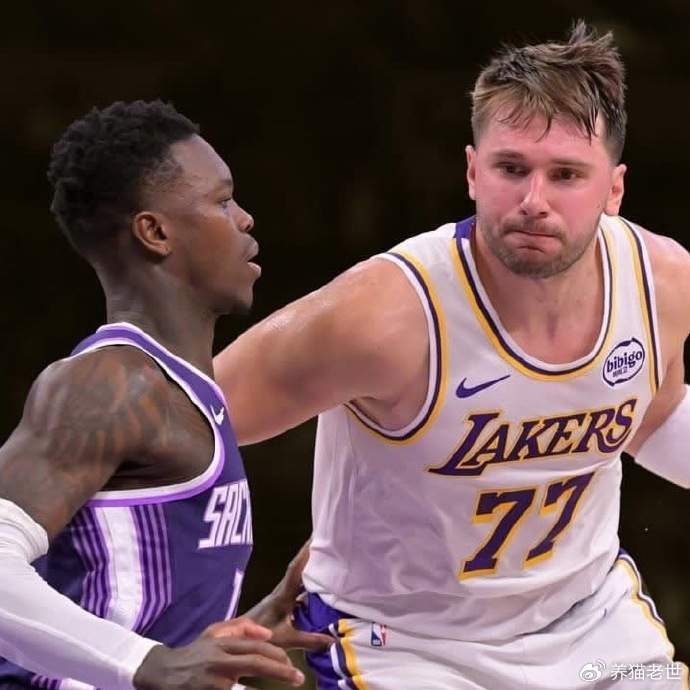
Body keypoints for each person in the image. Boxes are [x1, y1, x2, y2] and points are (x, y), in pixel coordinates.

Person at [214, 22, 690, 690]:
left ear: (614, 189)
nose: (534, 201)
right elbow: (182, 425)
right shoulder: (383, 313)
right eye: (512, 169)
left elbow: (653, 415)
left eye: (566, 175)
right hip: (409, 645)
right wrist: (178, 619)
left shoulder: (661, 280)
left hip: (588, 624)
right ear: (472, 172)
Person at [0, 100, 329, 690]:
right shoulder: (111, 384)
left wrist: (250, 625)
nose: (245, 219)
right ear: (155, 232)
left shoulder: (187, 389)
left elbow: (129, 610)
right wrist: (149, 663)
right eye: (222, 201)